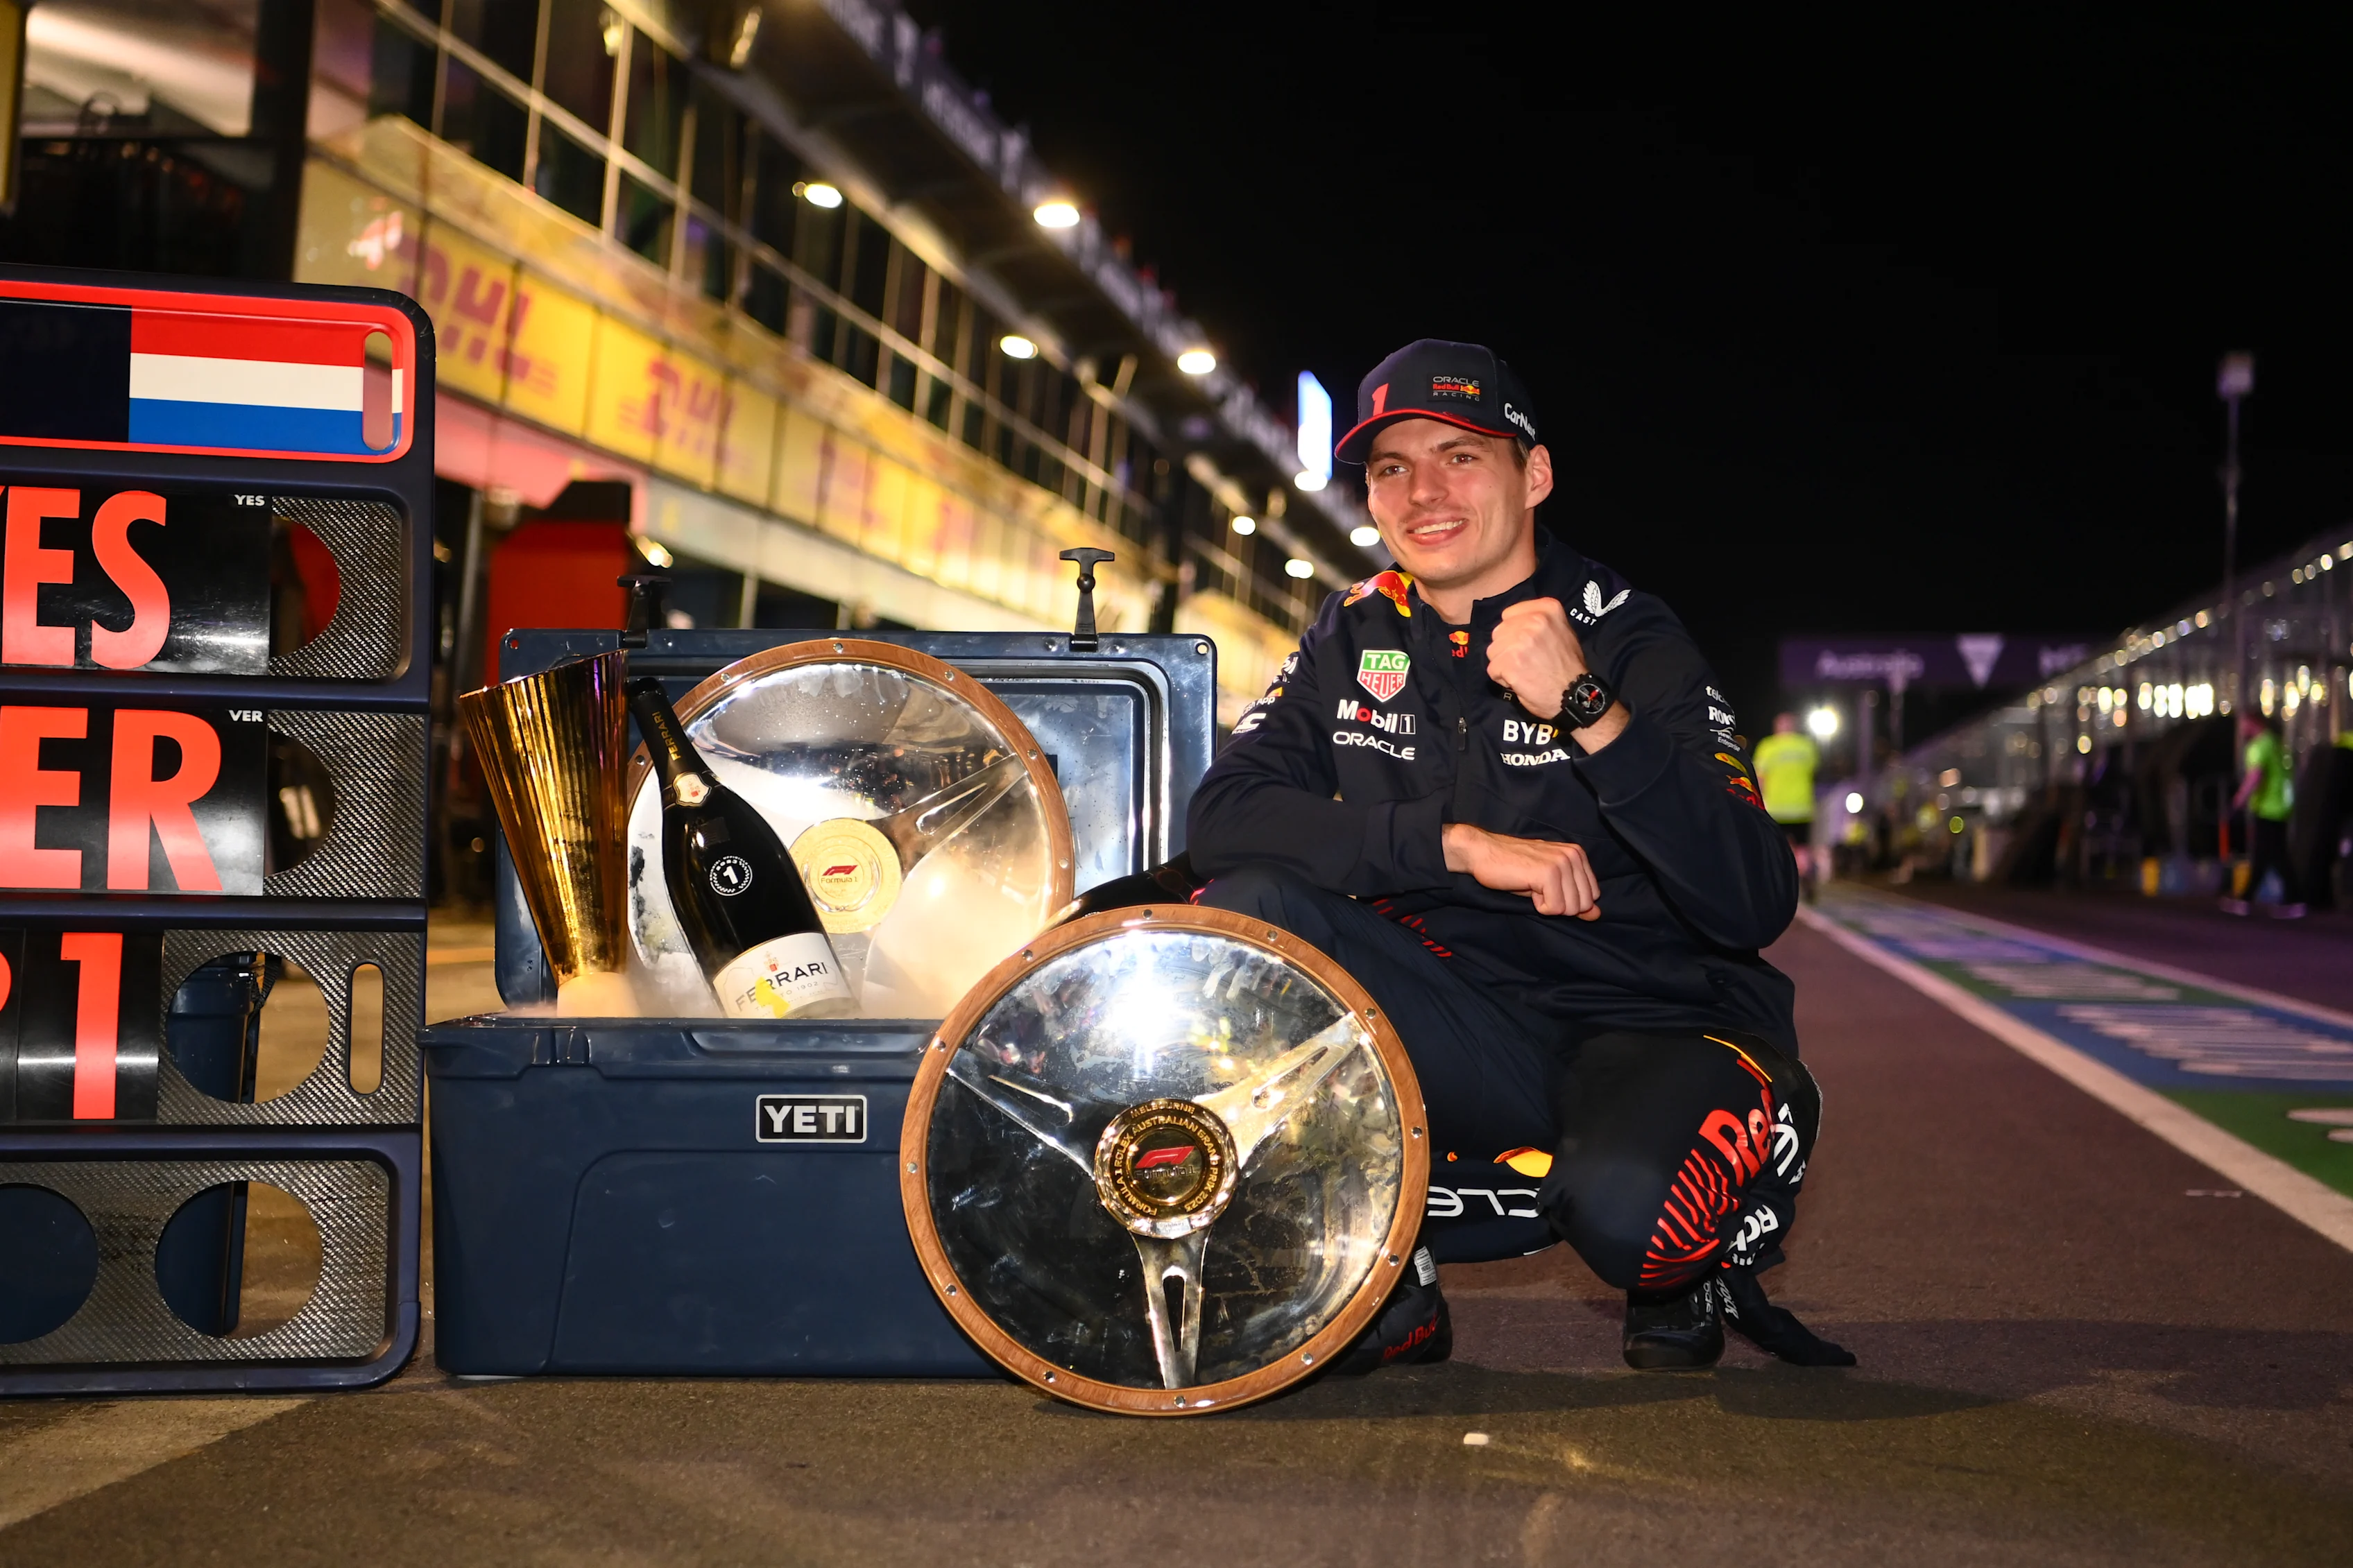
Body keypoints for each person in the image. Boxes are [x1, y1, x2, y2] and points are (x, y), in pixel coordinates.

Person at [1186, 340, 1850, 1372]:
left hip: (1645, 1023)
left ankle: (1709, 1205)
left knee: (1639, 1222)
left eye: (1460, 457)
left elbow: (1754, 898)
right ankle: (1385, 1275)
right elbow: (1224, 815)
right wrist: (1452, 846)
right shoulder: (1355, 630)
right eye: (1393, 468)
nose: (1423, 492)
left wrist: (1588, 709)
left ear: (1533, 475)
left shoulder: (1628, 634)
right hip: (1460, 1026)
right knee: (1248, 904)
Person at [2225, 712, 2302, 918]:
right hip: (2281, 805)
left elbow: (2256, 775)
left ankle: (2294, 898)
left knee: (2274, 854)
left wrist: (2239, 800)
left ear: (2253, 722)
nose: (2242, 729)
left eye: (2243, 724)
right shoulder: (2277, 743)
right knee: (2265, 854)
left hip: (2268, 807)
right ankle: (2247, 898)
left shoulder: (2261, 745)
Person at [1752, 713, 1820, 897]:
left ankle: (1779, 884)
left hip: (1776, 808)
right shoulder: (1806, 746)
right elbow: (1813, 771)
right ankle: (1805, 876)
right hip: (1802, 807)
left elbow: (1760, 778)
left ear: (1777, 727)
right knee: (1803, 847)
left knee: (1776, 847)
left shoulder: (1768, 746)